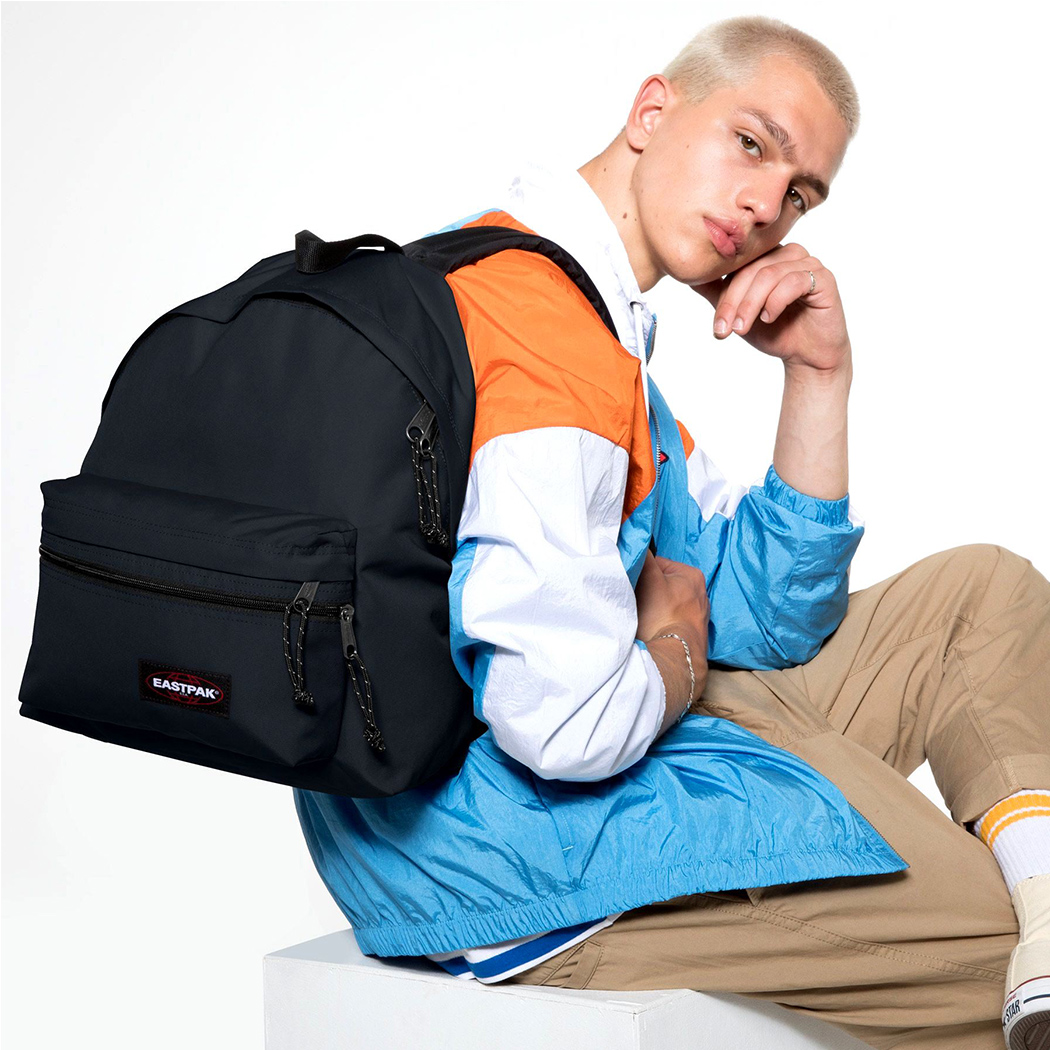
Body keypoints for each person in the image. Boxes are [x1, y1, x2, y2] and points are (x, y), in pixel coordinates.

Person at [293, 16, 1049, 1049]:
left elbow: (768, 618)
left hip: (512, 803)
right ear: (653, 111)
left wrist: (818, 377)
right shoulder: (546, 342)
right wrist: (679, 647)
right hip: (509, 865)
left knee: (979, 596)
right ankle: (1027, 936)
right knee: (991, 943)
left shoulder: (562, 299)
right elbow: (563, 728)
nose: (766, 205)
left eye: (800, 194)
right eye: (751, 142)